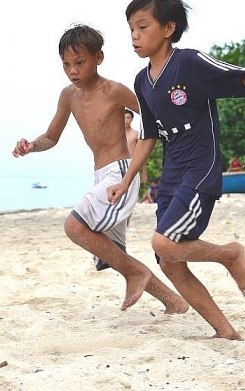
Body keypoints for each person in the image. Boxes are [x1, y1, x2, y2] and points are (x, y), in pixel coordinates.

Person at [108, 0, 245, 339]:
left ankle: (230, 254)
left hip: (200, 167)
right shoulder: (141, 81)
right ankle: (226, 333)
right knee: (169, 261)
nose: (134, 36)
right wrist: (126, 181)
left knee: (162, 243)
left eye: (142, 27)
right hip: (172, 173)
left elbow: (243, 74)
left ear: (168, 28)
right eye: (131, 29)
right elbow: (149, 135)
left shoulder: (189, 62)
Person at [12, 24, 188, 313]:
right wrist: (31, 145)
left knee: (74, 226)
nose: (73, 71)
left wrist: (182, 140)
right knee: (112, 252)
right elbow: (51, 137)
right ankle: (174, 302)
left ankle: (137, 274)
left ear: (98, 58)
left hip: (120, 173)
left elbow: (155, 113)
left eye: (80, 63)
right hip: (100, 175)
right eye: (66, 65)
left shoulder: (114, 90)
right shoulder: (68, 95)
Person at [124, 109, 148, 183]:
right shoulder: (117, 135)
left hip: (132, 166)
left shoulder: (136, 134)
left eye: (128, 118)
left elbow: (141, 153)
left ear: (131, 119)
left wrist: (144, 172)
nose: (126, 120)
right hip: (118, 166)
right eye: (124, 118)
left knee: (131, 192)